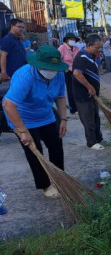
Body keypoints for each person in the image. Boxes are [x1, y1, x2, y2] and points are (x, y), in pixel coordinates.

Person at [2, 46, 69, 198]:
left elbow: (60, 96)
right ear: (38, 64)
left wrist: (63, 119)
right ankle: (45, 185)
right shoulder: (25, 76)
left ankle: (59, 179)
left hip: (46, 115)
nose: (51, 71)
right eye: (47, 68)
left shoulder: (58, 74)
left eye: (54, 67)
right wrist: (23, 131)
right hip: (22, 117)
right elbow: (8, 104)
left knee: (56, 146)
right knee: (35, 151)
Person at [72, 34, 105, 150]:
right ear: (89, 46)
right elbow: (77, 73)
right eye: (97, 47)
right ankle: (91, 142)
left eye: (100, 47)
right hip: (83, 94)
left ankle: (98, 137)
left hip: (92, 94)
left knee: (96, 116)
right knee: (88, 118)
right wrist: (89, 87)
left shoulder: (91, 56)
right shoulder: (81, 57)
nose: (99, 50)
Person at [58, 32, 80, 114]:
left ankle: (78, 106)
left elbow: (79, 58)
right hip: (67, 71)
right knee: (70, 90)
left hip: (76, 71)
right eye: (71, 39)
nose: (73, 41)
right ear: (67, 40)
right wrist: (64, 68)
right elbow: (58, 59)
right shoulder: (62, 48)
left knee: (77, 89)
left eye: (74, 39)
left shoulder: (76, 48)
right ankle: (73, 109)